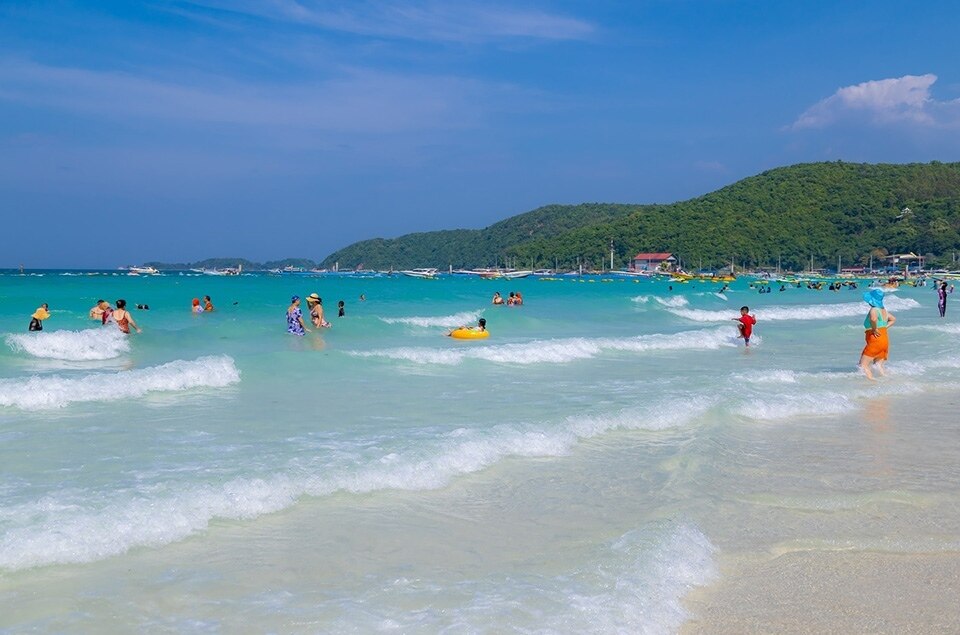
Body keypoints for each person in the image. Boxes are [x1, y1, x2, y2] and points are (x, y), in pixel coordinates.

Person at [859, 289, 896, 380]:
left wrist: (875, 329)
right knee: (878, 364)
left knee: (863, 365)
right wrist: (884, 327)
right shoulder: (883, 310)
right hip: (884, 339)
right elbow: (893, 319)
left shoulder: (874, 309)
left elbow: (873, 319)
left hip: (875, 340)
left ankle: (872, 382)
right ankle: (886, 380)